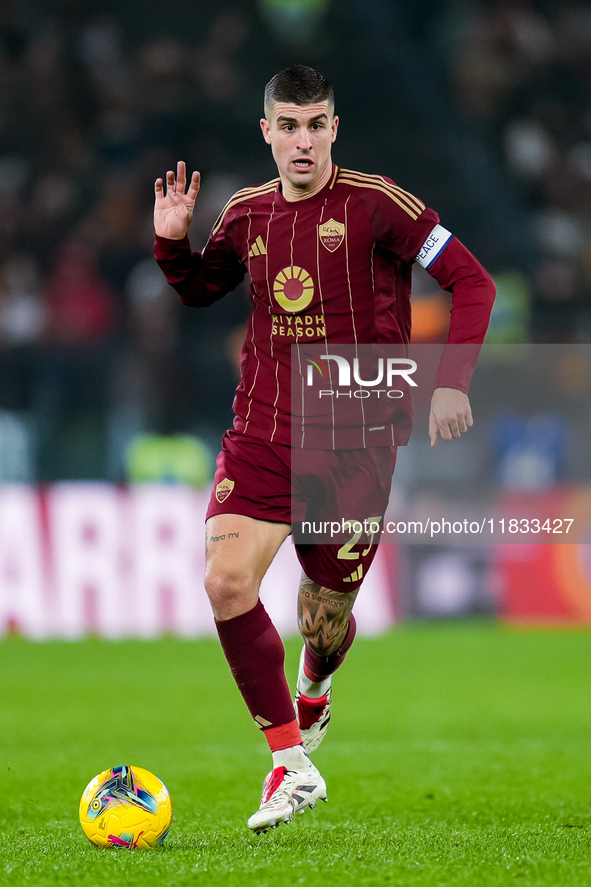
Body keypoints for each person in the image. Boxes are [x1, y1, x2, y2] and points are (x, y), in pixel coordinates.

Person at [153, 65, 496, 834]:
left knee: (324, 615)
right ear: (266, 131)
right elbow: (203, 287)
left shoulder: (381, 206)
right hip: (263, 432)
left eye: (316, 125)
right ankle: (288, 761)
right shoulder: (244, 213)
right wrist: (171, 244)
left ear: (333, 129)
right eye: (289, 125)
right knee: (224, 582)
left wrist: (451, 381)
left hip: (354, 445)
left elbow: (472, 282)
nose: (302, 141)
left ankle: (313, 689)